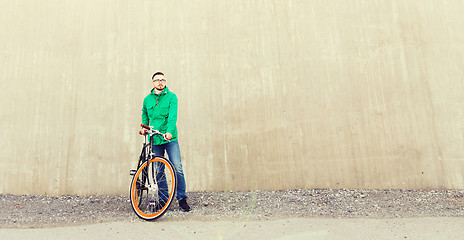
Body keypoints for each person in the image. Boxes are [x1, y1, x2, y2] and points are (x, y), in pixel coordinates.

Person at [140, 71, 191, 212]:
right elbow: (144, 113)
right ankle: (163, 199)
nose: (160, 82)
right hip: (155, 138)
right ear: (153, 83)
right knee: (158, 170)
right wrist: (144, 127)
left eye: (162, 80)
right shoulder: (147, 99)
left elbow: (172, 117)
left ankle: (182, 199)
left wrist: (168, 132)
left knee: (177, 167)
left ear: (165, 82)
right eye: (157, 80)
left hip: (169, 138)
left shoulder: (172, 97)